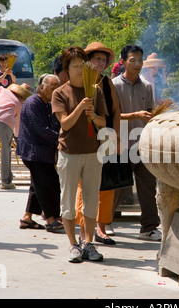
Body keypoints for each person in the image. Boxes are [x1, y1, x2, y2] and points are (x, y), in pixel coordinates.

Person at [52, 46, 107, 263]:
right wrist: (80, 108)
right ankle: (73, 244)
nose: (78, 69)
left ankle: (88, 242)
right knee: (67, 201)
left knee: (92, 201)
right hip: (69, 153)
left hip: (93, 153)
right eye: (75, 66)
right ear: (66, 69)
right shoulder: (60, 92)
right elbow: (65, 123)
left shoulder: (95, 90)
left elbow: (103, 122)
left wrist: (93, 115)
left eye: (81, 65)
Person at [112, 45, 161, 241]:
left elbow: (149, 113)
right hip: (119, 143)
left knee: (148, 187)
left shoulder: (147, 86)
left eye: (140, 60)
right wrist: (134, 115)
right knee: (116, 186)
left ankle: (149, 227)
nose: (138, 64)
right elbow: (110, 116)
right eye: (133, 60)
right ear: (123, 61)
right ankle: (105, 223)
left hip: (142, 144)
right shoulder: (113, 86)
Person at [74, 42, 120, 246]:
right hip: (83, 139)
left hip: (104, 135)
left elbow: (116, 111)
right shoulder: (77, 80)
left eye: (103, 60)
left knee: (106, 185)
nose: (100, 63)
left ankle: (101, 228)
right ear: (88, 60)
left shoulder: (107, 82)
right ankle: (83, 230)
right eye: (96, 59)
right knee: (84, 186)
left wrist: (116, 136)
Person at [16, 74, 63, 233]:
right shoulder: (32, 103)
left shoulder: (48, 104)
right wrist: (62, 138)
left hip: (44, 152)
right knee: (47, 185)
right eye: (52, 88)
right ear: (41, 88)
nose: (56, 91)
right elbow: (41, 129)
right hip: (34, 152)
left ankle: (27, 218)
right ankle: (50, 219)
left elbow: (56, 124)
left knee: (37, 185)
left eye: (58, 88)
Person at [0, 83, 32, 189]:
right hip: (6, 123)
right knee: (5, 152)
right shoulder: (20, 104)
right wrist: (17, 137)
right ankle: (6, 182)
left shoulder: (2, 89)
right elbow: (18, 124)